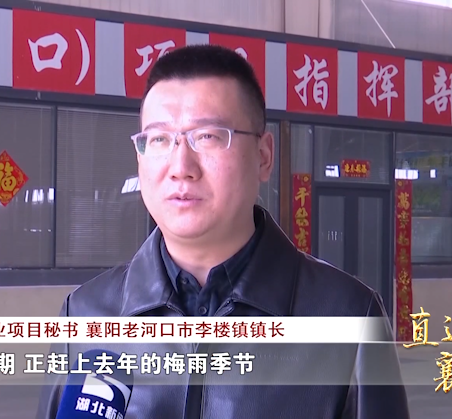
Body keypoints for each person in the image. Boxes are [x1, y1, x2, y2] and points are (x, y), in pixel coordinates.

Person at [36, 44, 410, 419]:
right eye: (160, 139)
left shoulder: (348, 318)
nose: (180, 167)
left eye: (208, 136)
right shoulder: (85, 314)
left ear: (264, 156)